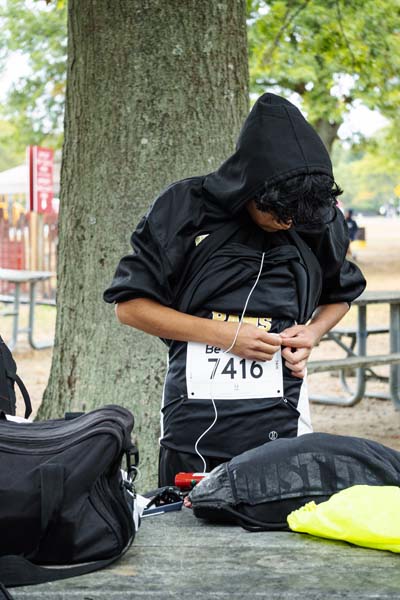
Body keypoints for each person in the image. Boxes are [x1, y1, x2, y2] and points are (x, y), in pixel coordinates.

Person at [104, 93, 366, 486]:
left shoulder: (315, 217)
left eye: (299, 216)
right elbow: (129, 306)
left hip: (284, 404)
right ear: (250, 190)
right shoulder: (185, 207)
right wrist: (225, 336)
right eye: (278, 213)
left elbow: (340, 292)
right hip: (194, 407)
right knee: (186, 514)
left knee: (284, 508)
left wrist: (311, 332)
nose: (289, 223)